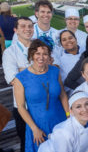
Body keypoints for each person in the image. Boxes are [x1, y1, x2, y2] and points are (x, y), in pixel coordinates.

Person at [13, 39, 69, 152]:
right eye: (37, 53)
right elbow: (21, 107)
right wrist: (34, 129)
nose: (41, 57)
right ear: (31, 54)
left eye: (45, 54)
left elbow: (62, 94)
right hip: (38, 125)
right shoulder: (21, 78)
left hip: (60, 121)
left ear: (49, 55)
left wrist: (68, 116)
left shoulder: (55, 71)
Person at [2, 17, 34, 152]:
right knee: (26, 143)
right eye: (23, 26)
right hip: (23, 106)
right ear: (15, 30)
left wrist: (23, 70)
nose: (27, 29)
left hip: (43, 103)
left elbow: (49, 71)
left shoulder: (40, 48)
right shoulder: (10, 52)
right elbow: (14, 80)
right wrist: (38, 71)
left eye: (30, 26)